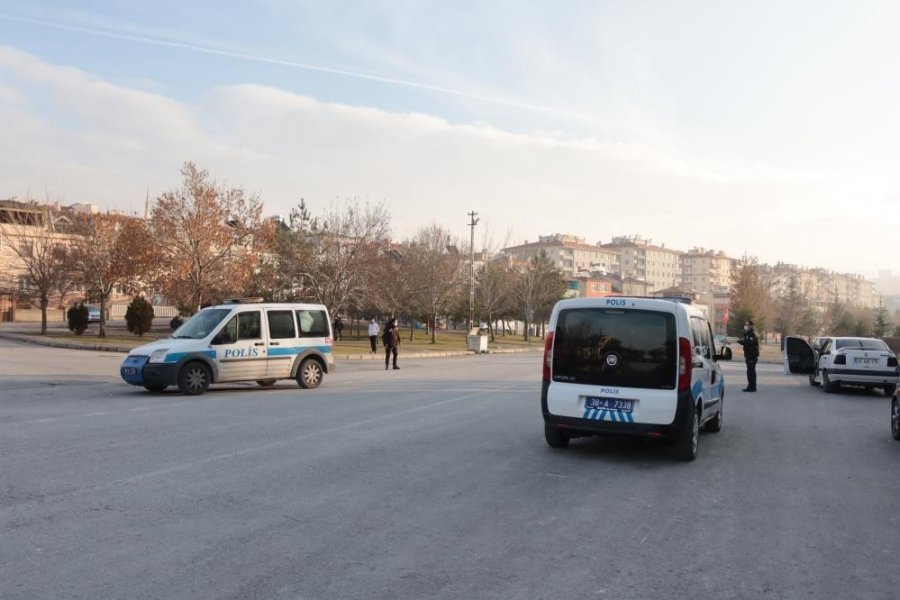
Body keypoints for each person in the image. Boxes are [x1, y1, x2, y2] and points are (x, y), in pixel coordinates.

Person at [735, 319, 760, 392]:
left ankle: (752, 387)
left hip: (752, 355)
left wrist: (741, 341)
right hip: (748, 355)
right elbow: (746, 341)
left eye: (747, 325)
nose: (745, 326)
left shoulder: (752, 334)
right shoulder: (748, 333)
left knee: (751, 372)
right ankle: (750, 386)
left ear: (751, 326)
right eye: (745, 325)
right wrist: (740, 341)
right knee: (749, 371)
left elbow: (749, 342)